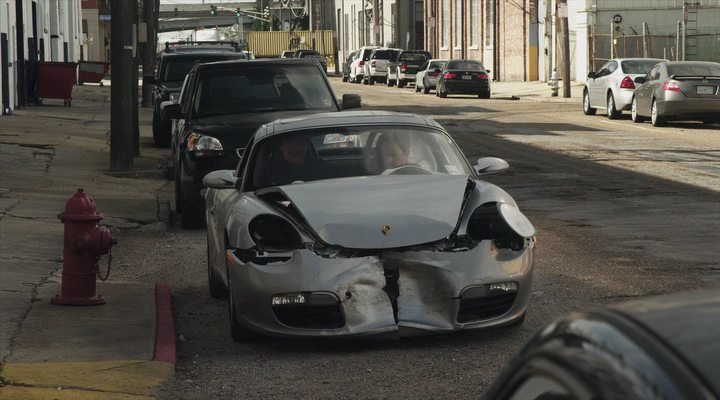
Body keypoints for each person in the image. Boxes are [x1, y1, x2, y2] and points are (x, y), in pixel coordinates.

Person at [255, 135, 334, 187]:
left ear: (307, 146)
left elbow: (331, 190)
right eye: (290, 144)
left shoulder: (320, 167)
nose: (295, 148)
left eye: (300, 143)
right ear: (281, 147)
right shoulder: (267, 170)